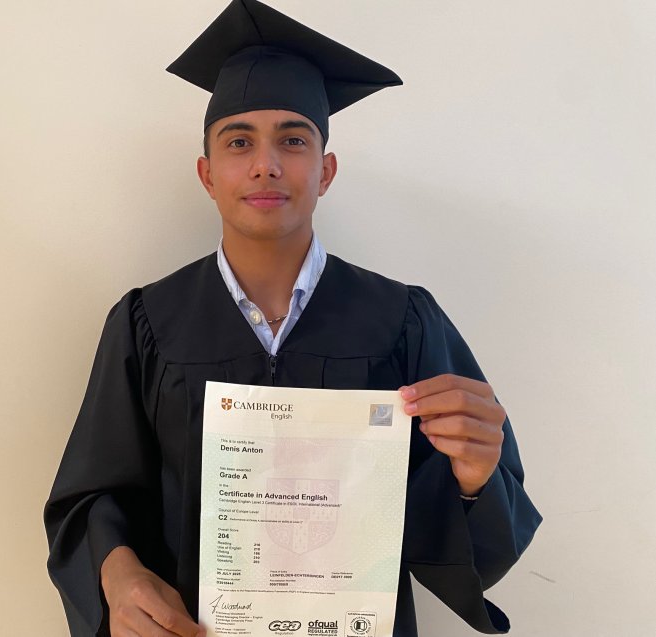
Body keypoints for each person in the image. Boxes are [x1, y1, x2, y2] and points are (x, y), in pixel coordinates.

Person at [43, 1, 542, 636]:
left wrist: (474, 479)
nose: (266, 164)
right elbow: (92, 494)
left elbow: (459, 532)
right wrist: (116, 575)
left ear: (326, 170)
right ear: (207, 175)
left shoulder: (402, 319)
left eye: (294, 140)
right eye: (239, 142)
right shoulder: (148, 322)